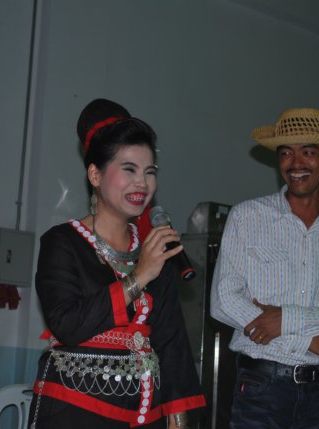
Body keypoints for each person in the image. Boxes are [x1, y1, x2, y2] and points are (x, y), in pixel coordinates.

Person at [28, 98, 206, 428]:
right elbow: (67, 324)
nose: (142, 183)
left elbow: (171, 340)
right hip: (74, 410)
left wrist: (179, 418)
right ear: (95, 175)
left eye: (149, 172)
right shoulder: (62, 242)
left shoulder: (155, 248)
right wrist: (139, 277)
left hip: (146, 414)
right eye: (129, 169)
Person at [210, 108, 319, 428]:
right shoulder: (246, 217)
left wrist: (285, 319)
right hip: (262, 389)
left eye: (308, 152)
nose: (296, 163)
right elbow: (223, 301)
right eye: (286, 153)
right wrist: (307, 340)